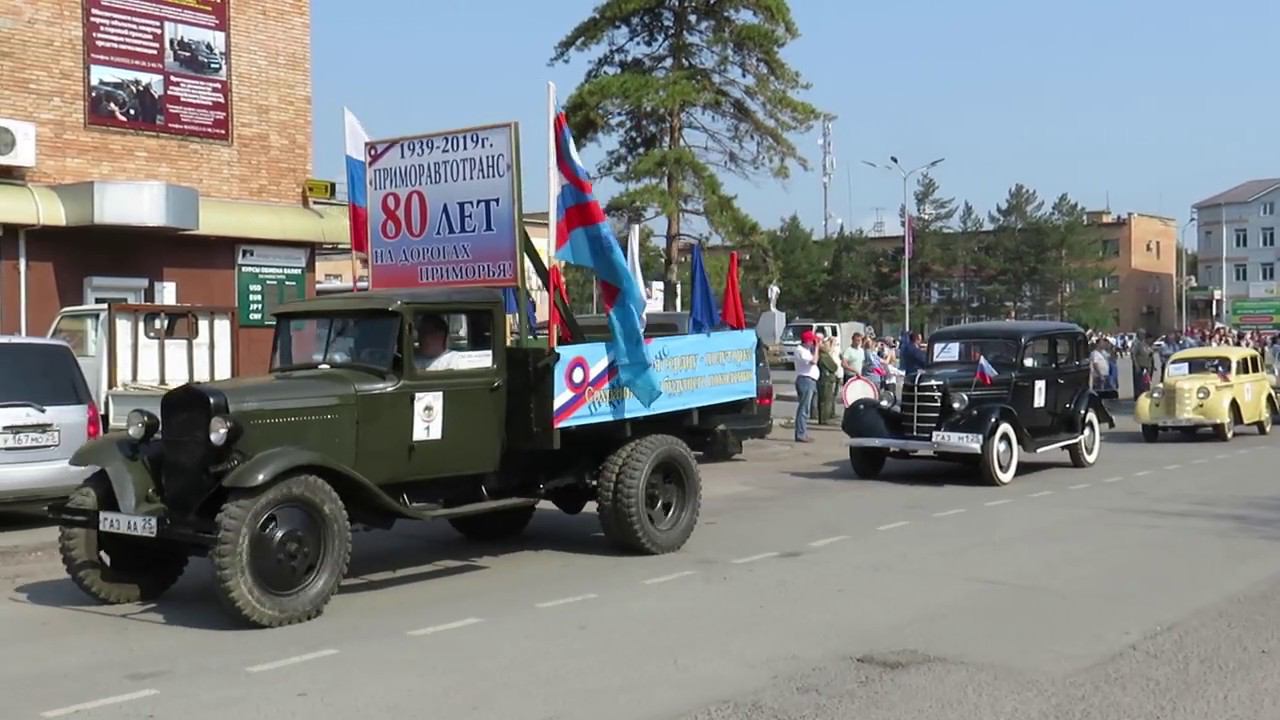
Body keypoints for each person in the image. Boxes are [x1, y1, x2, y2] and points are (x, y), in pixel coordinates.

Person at [793, 330, 819, 443]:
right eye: (812, 341)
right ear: (808, 341)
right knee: (804, 408)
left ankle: (803, 432)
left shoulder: (807, 350)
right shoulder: (800, 350)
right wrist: (817, 347)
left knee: (807, 408)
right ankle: (800, 434)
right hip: (805, 380)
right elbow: (814, 361)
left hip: (810, 380)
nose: (813, 343)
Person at [817, 336, 840, 425]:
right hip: (826, 380)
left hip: (824, 379)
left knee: (824, 399)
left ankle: (824, 417)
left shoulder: (822, 355)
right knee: (826, 400)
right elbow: (833, 367)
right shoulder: (824, 356)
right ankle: (824, 418)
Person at [1131, 330, 1155, 398]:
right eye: (1142, 334)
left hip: (1147, 366)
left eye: (1144, 334)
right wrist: (1136, 365)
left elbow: (1149, 355)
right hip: (1140, 366)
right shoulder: (1137, 343)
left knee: (1146, 383)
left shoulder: (1145, 344)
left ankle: (1145, 394)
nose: (1143, 335)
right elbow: (1133, 354)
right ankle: (1139, 396)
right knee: (1139, 383)